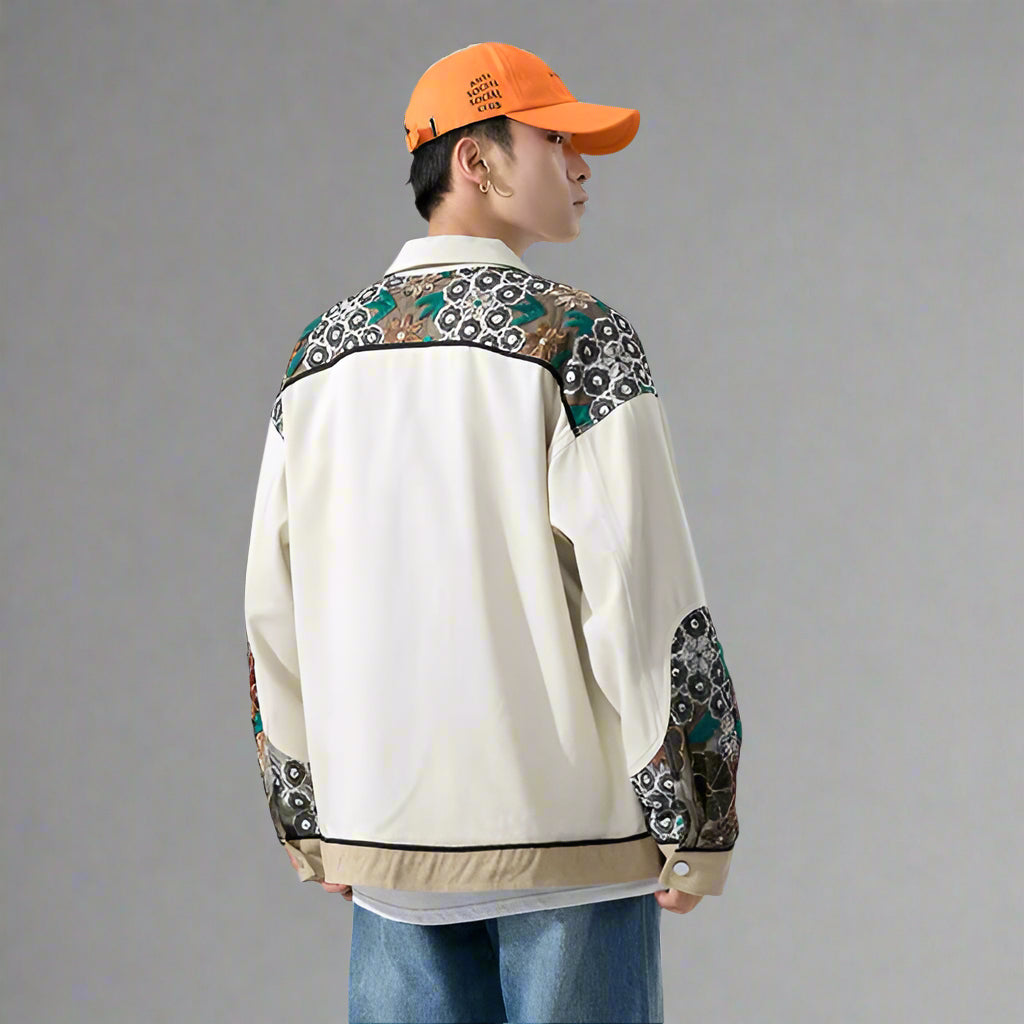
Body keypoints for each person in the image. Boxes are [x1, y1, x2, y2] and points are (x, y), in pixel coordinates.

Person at [244, 41, 743, 1023]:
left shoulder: (321, 356)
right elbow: (647, 602)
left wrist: (309, 818)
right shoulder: (575, 338)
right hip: (569, 849)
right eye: (557, 140)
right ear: (475, 159)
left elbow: (275, 607)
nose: (582, 165)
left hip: (386, 843)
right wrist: (695, 820)